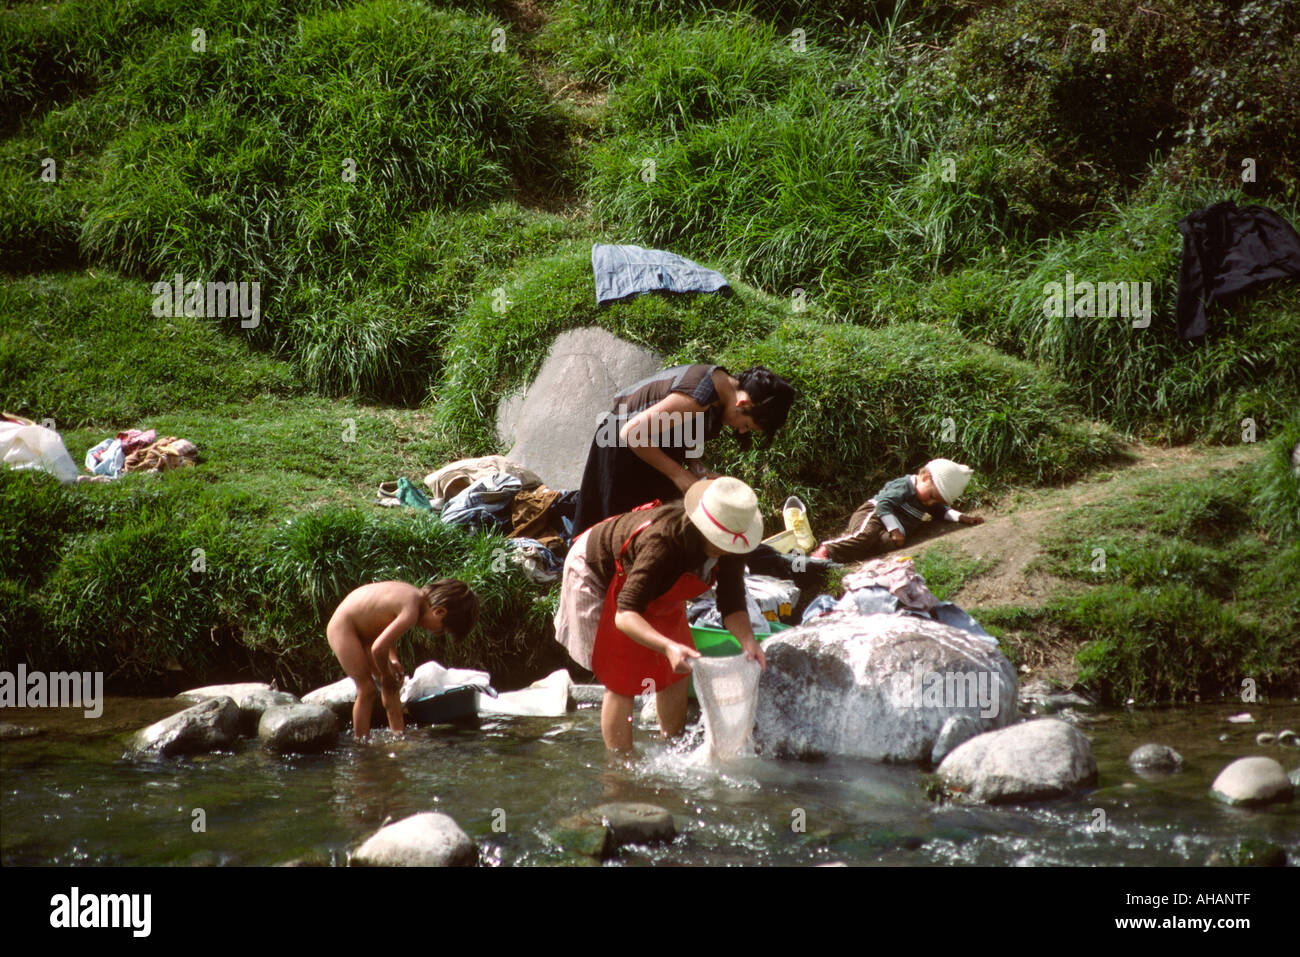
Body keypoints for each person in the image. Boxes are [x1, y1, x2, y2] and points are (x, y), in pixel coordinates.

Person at [555, 476, 767, 753]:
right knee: (622, 678)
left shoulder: (733, 545)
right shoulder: (663, 543)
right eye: (721, 541)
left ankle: (673, 746)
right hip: (598, 572)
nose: (727, 549)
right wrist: (667, 646)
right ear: (702, 527)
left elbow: (732, 603)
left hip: (656, 589)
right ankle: (621, 768)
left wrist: (748, 641)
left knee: (678, 670)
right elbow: (626, 614)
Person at [572, 364, 794, 535]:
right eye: (747, 425)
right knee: (614, 527)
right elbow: (632, 433)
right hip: (620, 446)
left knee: (657, 523)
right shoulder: (701, 393)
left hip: (653, 447)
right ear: (743, 404)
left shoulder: (719, 390)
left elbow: (685, 432)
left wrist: (697, 469)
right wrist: (680, 475)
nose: (742, 431)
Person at [326, 579, 479, 739]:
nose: (436, 633)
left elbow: (384, 628)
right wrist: (386, 675)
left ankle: (398, 736)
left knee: (392, 688)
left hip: (366, 631)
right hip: (344, 628)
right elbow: (378, 649)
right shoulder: (411, 610)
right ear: (439, 612)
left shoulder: (414, 599)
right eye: (441, 630)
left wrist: (393, 660)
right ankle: (360, 744)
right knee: (367, 689)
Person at [812, 459, 985, 564]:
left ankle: (840, 557)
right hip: (875, 514)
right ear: (924, 477)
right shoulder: (905, 486)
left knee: (882, 545)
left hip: (890, 529)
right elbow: (884, 505)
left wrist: (961, 517)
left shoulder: (928, 500)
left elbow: (941, 510)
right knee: (867, 535)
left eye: (936, 500)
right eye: (932, 495)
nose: (930, 502)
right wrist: (895, 530)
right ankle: (826, 550)